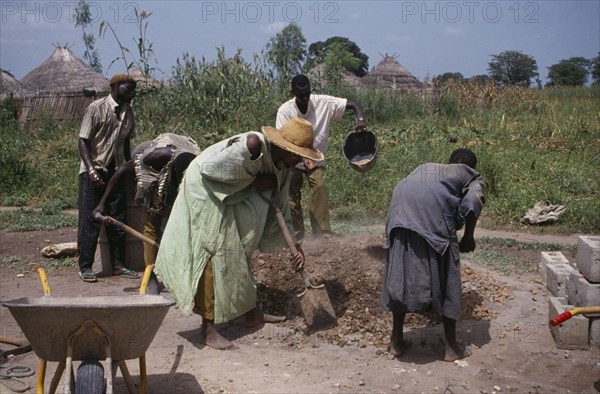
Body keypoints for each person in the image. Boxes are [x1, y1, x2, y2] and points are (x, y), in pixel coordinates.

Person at [154, 117, 322, 350]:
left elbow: (280, 204)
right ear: (283, 147)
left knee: (242, 246)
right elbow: (211, 171)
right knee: (213, 251)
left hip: (234, 193)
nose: (299, 160)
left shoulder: (284, 166)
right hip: (204, 190)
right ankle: (208, 330)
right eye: (296, 154)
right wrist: (254, 182)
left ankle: (250, 313)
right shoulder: (253, 145)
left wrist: (296, 245)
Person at [380, 148, 485, 362]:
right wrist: (468, 237)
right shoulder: (470, 174)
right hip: (429, 217)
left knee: (400, 274)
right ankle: (451, 348)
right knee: (448, 277)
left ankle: (396, 341)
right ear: (468, 165)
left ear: (450, 160)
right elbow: (473, 201)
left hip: (398, 217)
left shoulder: (426, 168)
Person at [91, 133, 202, 291]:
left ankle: (185, 275)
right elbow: (122, 170)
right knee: (150, 226)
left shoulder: (199, 165)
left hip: (179, 170)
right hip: (158, 175)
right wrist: (101, 204)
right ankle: (150, 278)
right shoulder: (153, 159)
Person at [276, 75, 367, 241]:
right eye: (300, 95)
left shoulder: (323, 103)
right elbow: (282, 144)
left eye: (307, 93)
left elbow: (354, 104)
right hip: (291, 159)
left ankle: (322, 233)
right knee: (291, 196)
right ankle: (297, 235)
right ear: (293, 92)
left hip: (315, 157)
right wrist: (302, 159)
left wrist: (360, 119)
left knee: (319, 186)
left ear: (310, 90)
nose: (305, 98)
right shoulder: (285, 111)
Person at [77, 73, 138, 283]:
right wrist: (91, 170)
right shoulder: (96, 108)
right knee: (90, 219)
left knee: (118, 218)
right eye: (128, 88)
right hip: (94, 170)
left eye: (133, 89)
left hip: (117, 172)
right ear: (116, 86)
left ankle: (118, 265)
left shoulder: (129, 113)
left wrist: (130, 170)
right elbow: (82, 141)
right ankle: (85, 266)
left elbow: (126, 145)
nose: (132, 93)